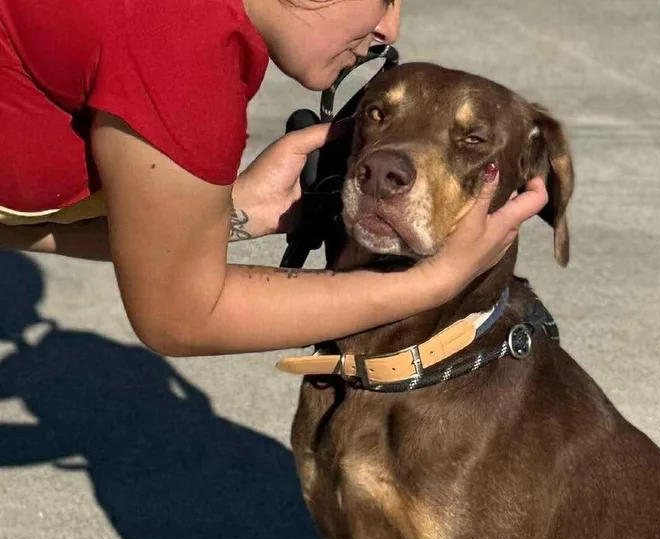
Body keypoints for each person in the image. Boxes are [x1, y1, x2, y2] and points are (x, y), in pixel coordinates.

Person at [0, 0, 548, 357]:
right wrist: (433, 282)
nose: (389, 28)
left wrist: (228, 213)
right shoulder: (182, 46)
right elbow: (181, 319)